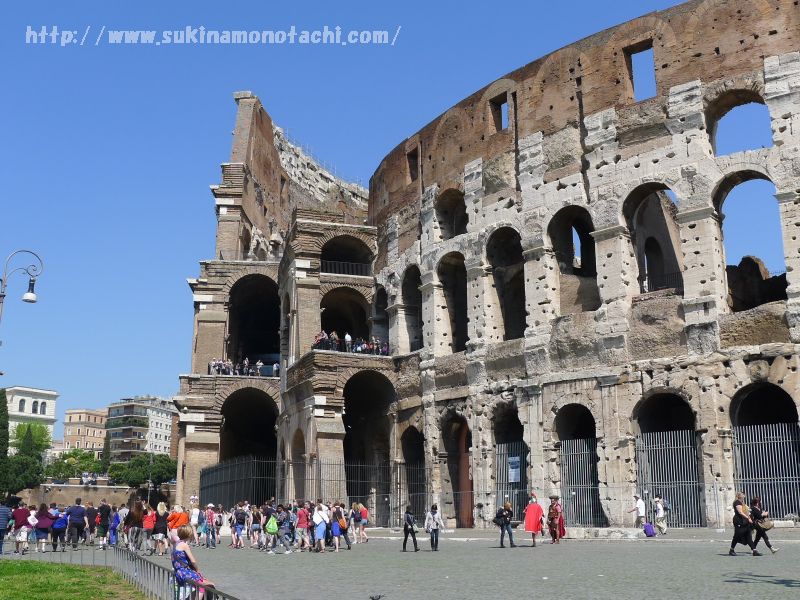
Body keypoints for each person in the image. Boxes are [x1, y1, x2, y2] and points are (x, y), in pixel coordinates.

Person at [172, 525, 215, 599]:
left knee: (203, 582)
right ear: (189, 534)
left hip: (179, 572)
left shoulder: (176, 543)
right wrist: (197, 570)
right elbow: (193, 561)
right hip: (185, 572)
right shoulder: (184, 545)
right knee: (204, 585)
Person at [729, 491, 761, 556]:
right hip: (739, 521)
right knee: (737, 536)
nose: (744, 495)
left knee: (748, 535)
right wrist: (748, 518)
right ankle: (731, 550)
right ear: (739, 495)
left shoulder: (742, 502)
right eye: (743, 494)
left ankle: (754, 550)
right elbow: (740, 512)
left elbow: (745, 510)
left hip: (744, 521)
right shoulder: (737, 502)